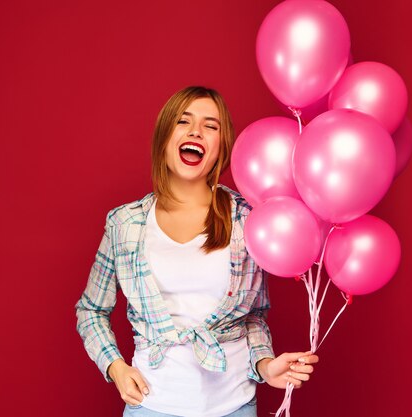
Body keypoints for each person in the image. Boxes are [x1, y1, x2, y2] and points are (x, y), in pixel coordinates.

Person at [75, 86, 318, 417]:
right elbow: (91, 310)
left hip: (234, 406)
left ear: (221, 147)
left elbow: (254, 316)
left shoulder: (248, 218)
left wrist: (265, 365)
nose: (195, 132)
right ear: (164, 138)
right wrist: (115, 367)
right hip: (152, 406)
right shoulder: (124, 224)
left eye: (211, 125)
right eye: (183, 121)